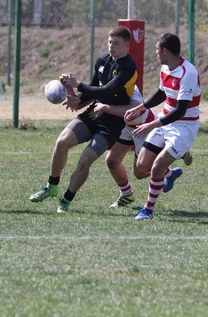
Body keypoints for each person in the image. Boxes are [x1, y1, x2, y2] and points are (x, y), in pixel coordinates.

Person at [28, 26, 138, 213]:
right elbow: (94, 88)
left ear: (127, 45)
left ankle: (66, 199)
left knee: (85, 160)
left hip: (111, 123)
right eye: (110, 42)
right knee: (62, 142)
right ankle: (51, 186)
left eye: (116, 43)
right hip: (93, 113)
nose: (112, 46)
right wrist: (78, 99)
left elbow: (107, 91)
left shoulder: (128, 67)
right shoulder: (103, 59)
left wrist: (77, 84)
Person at [124, 32, 201, 220]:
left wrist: (151, 124)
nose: (156, 53)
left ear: (165, 51)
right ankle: (170, 174)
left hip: (184, 127)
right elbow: (161, 93)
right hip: (165, 120)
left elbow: (181, 110)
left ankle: (148, 210)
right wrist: (141, 108)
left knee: (156, 166)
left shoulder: (188, 72)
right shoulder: (165, 68)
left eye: (157, 50)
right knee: (142, 166)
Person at [99, 85, 193, 209]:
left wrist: (105, 108)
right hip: (126, 127)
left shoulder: (128, 81)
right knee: (111, 161)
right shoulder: (104, 77)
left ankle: (179, 155)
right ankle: (127, 195)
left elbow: (132, 108)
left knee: (140, 172)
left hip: (144, 127)